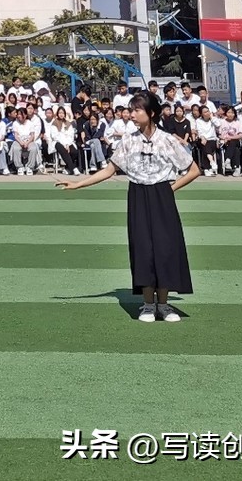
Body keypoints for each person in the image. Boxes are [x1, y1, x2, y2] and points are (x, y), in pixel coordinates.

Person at [56, 92, 200, 323]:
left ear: (151, 113)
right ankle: (147, 305)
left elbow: (193, 170)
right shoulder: (128, 140)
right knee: (143, 248)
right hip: (138, 195)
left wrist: (169, 189)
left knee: (165, 248)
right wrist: (77, 184)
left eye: (136, 110)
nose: (131, 114)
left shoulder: (167, 139)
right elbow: (109, 170)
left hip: (162, 194)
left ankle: (163, 305)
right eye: (130, 110)